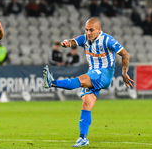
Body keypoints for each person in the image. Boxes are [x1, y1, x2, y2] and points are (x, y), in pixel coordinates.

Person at [43, 18, 134, 147]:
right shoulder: (84, 38)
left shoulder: (107, 40)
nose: (88, 33)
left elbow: (125, 54)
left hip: (104, 73)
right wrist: (67, 43)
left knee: (82, 79)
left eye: (91, 30)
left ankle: (53, 82)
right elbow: (73, 41)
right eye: (86, 30)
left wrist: (124, 73)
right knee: (86, 105)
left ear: (99, 30)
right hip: (93, 72)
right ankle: (83, 138)